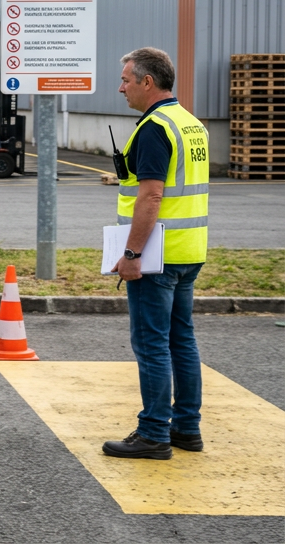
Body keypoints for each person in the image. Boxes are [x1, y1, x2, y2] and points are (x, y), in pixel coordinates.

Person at [103, 47, 209, 460]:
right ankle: (186, 427)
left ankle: (153, 433)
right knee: (181, 339)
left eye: (127, 80)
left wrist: (131, 253)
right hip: (189, 250)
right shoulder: (191, 124)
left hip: (157, 255)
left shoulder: (153, 129)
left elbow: (150, 196)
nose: (121, 87)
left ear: (148, 82)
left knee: (151, 344)